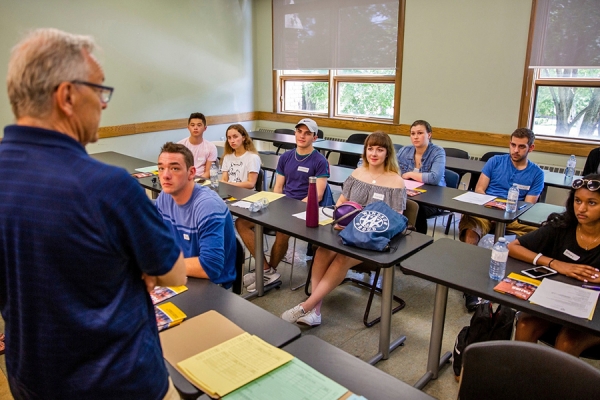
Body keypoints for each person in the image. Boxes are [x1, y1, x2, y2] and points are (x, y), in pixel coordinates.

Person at [0, 28, 187, 399]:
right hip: (119, 383)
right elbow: (174, 271)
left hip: (30, 379)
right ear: (67, 95)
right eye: (99, 89)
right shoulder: (107, 187)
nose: (104, 104)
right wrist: (137, 265)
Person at [281, 131, 406, 326]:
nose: (374, 153)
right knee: (322, 251)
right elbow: (341, 201)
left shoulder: (396, 181)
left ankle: (307, 306)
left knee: (342, 258)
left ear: (387, 153)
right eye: (370, 148)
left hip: (370, 238)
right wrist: (339, 216)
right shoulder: (357, 173)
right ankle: (316, 311)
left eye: (379, 149)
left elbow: (396, 219)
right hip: (345, 230)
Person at [236, 118, 331, 292]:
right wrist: (275, 207)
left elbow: (316, 195)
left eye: (307, 133)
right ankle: (267, 270)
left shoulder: (319, 161)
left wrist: (289, 211)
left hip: (303, 210)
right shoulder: (286, 157)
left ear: (315, 138)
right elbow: (278, 187)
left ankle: (268, 272)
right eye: (299, 131)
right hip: (283, 204)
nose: (302, 136)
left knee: (281, 231)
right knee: (241, 223)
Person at [509, 175, 600, 356]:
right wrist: (555, 263)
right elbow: (513, 247)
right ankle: (521, 380)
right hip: (560, 302)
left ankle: (554, 384)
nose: (581, 209)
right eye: (577, 200)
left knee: (568, 341)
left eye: (592, 203)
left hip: (595, 312)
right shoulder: (563, 226)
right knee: (525, 325)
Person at [460, 128, 544, 311]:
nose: (515, 150)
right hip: (487, 210)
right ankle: (469, 282)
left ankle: (516, 282)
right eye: (513, 145)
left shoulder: (537, 173)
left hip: (515, 216)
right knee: (471, 224)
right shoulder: (495, 161)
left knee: (539, 235)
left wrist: (506, 214)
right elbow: (480, 189)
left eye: (521, 147)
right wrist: (491, 207)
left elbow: (529, 204)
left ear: (531, 148)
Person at [156, 142, 237, 288]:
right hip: (182, 273)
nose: (165, 175)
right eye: (161, 168)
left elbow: (210, 267)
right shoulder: (165, 196)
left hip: (212, 286)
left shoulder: (208, 206)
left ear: (191, 173)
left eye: (175, 168)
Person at [396, 120, 446, 233]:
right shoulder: (405, 150)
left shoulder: (438, 152)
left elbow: (434, 178)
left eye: (420, 133)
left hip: (433, 199)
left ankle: (418, 242)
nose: (416, 137)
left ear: (429, 134)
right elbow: (393, 170)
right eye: (413, 134)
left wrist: (410, 174)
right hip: (410, 194)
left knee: (415, 207)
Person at [220, 124, 262, 189]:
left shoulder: (253, 157)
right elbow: (224, 179)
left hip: (245, 193)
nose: (232, 141)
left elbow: (250, 184)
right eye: (229, 138)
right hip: (229, 191)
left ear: (243, 138)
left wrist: (229, 184)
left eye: (235, 137)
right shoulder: (227, 157)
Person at [178, 112, 218, 179]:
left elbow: (208, 172)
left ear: (205, 128)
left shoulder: (211, 147)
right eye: (192, 125)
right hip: (184, 180)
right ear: (188, 128)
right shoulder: (180, 146)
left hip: (202, 181)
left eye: (199, 125)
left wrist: (197, 183)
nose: (195, 128)